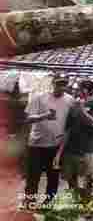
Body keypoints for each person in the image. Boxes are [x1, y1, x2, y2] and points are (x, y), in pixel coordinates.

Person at [54, 79, 93, 212]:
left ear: (86, 91)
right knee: (71, 178)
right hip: (70, 148)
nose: (75, 91)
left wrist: (82, 109)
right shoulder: (73, 106)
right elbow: (67, 130)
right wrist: (59, 153)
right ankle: (77, 203)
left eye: (78, 89)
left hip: (86, 148)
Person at [22, 74, 73, 208]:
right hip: (36, 144)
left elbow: (70, 124)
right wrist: (44, 116)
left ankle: (48, 203)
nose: (61, 87)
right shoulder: (39, 98)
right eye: (58, 83)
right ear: (53, 83)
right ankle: (29, 201)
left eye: (64, 84)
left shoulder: (70, 100)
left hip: (56, 146)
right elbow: (27, 119)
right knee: (33, 175)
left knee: (53, 176)